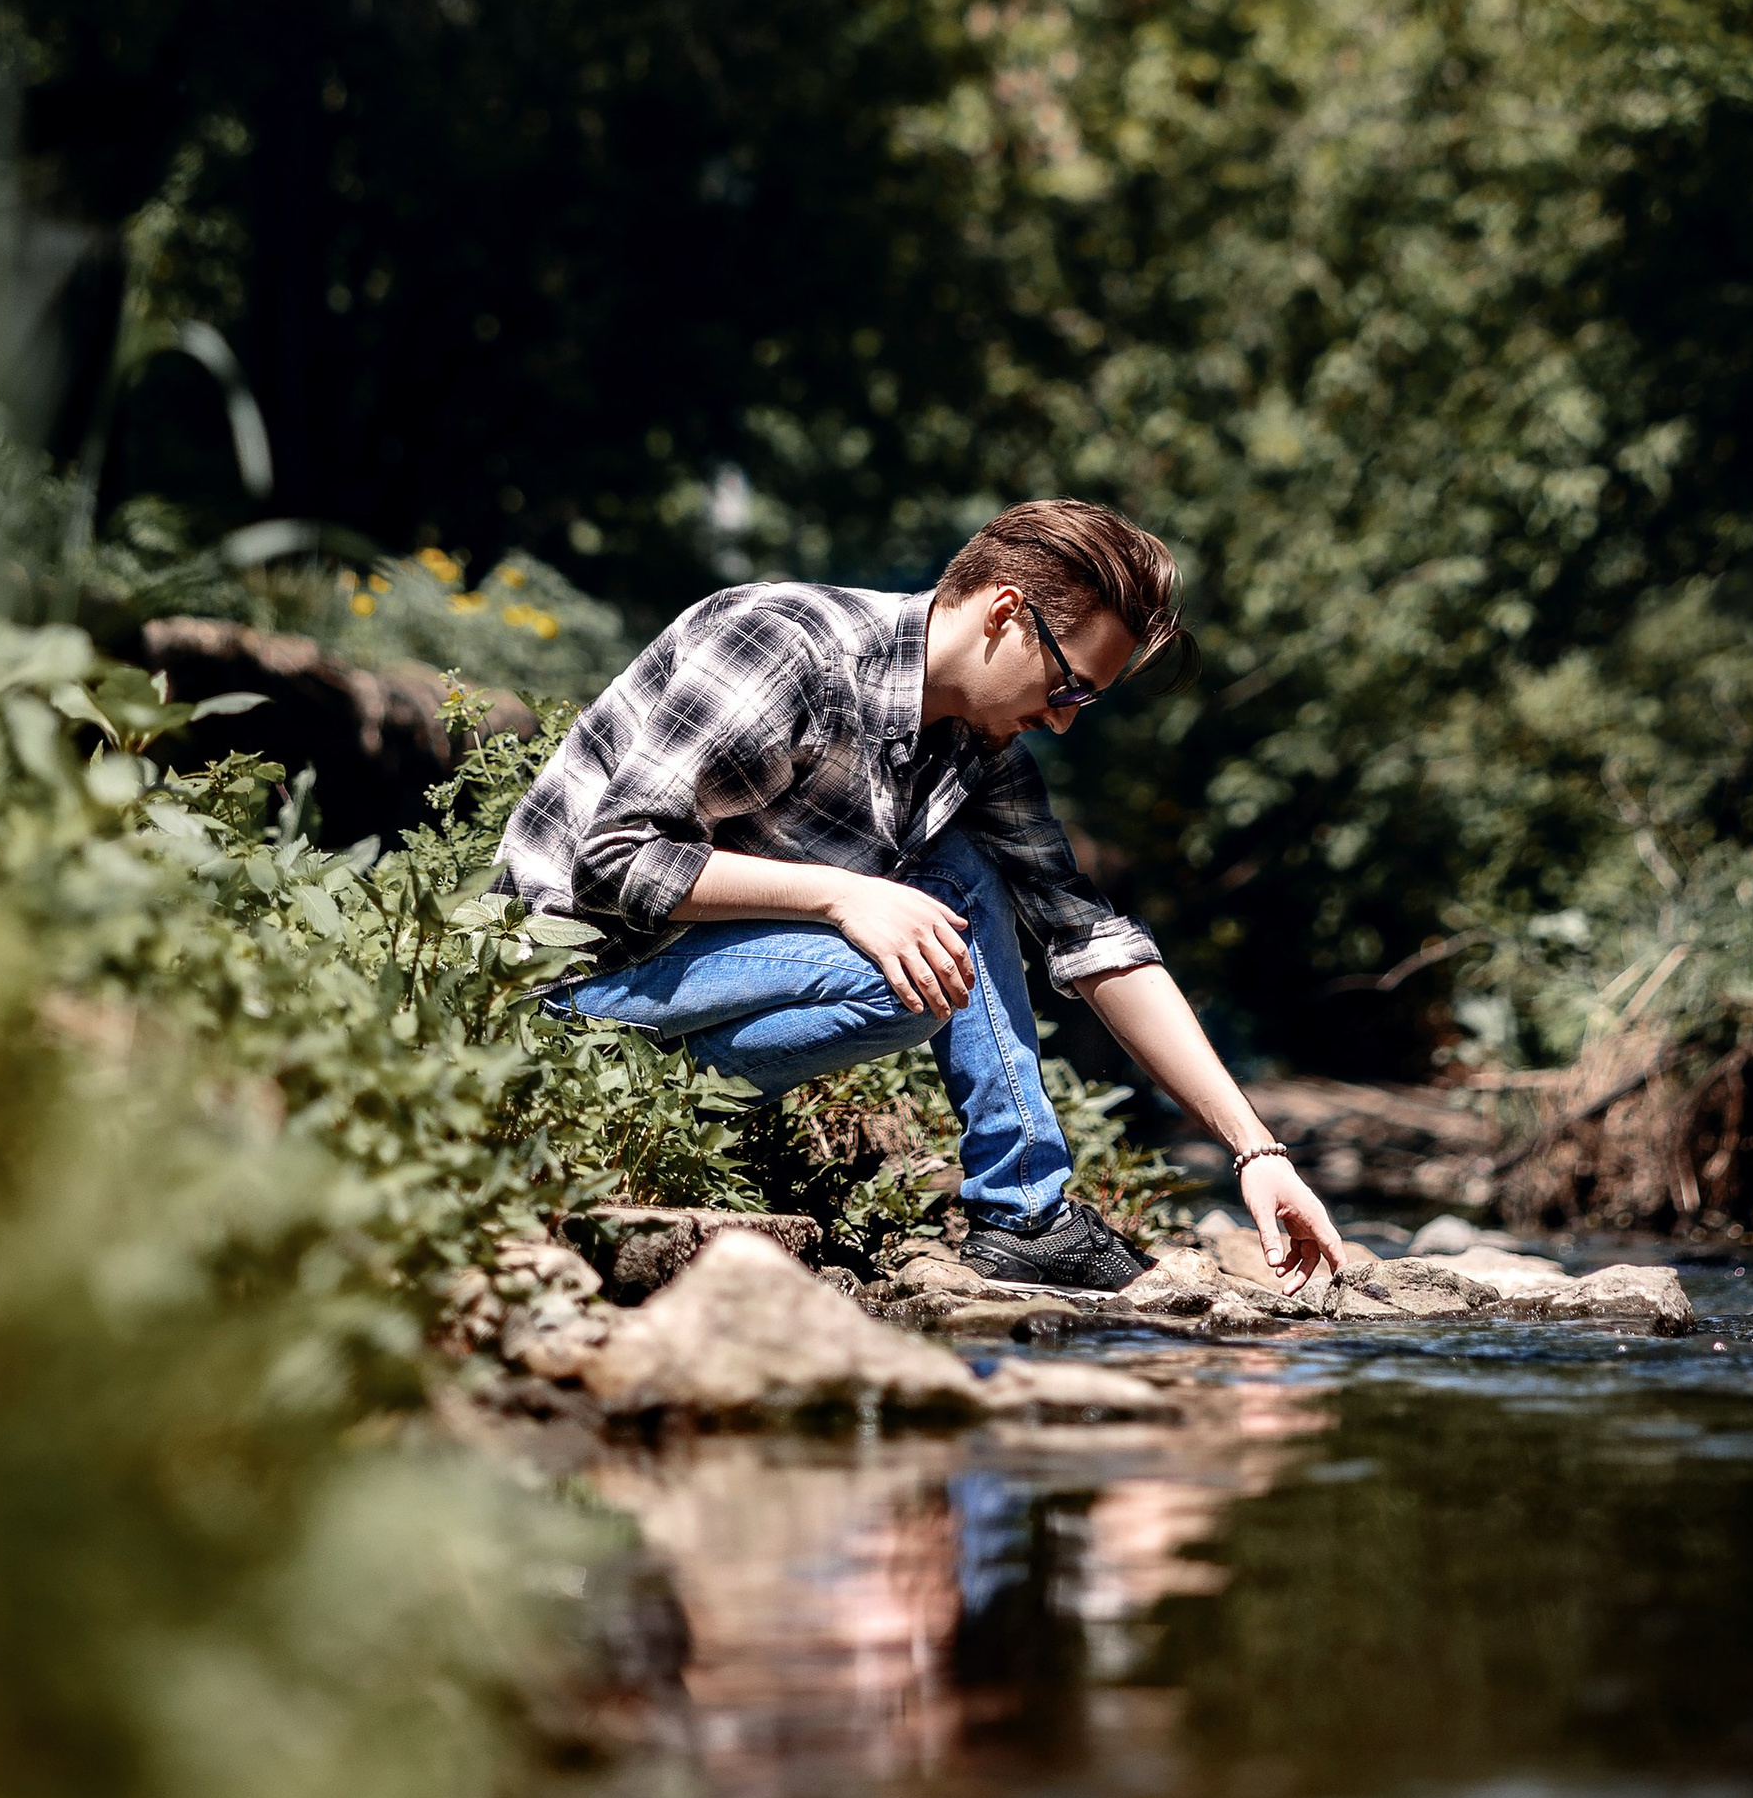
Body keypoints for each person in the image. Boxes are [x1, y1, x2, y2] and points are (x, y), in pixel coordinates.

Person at [493, 499, 1349, 1292]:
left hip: (691, 993)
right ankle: (615, 1103)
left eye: (1086, 700)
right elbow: (616, 860)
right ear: (1006, 613)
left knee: (963, 867)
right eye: (1069, 686)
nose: (1064, 719)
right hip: (563, 996)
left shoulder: (976, 749)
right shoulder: (788, 645)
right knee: (902, 973)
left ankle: (1025, 1217)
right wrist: (842, 897)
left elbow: (1091, 938)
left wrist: (1255, 1149)